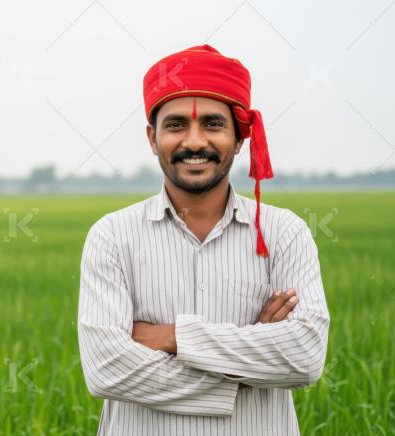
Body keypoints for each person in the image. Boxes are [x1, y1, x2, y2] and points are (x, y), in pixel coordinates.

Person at [77, 45, 330, 435]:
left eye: (212, 124)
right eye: (176, 125)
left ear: (240, 138)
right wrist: (250, 358)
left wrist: (171, 336)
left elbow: (304, 357)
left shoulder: (285, 233)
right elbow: (107, 370)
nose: (194, 142)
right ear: (152, 137)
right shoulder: (112, 236)